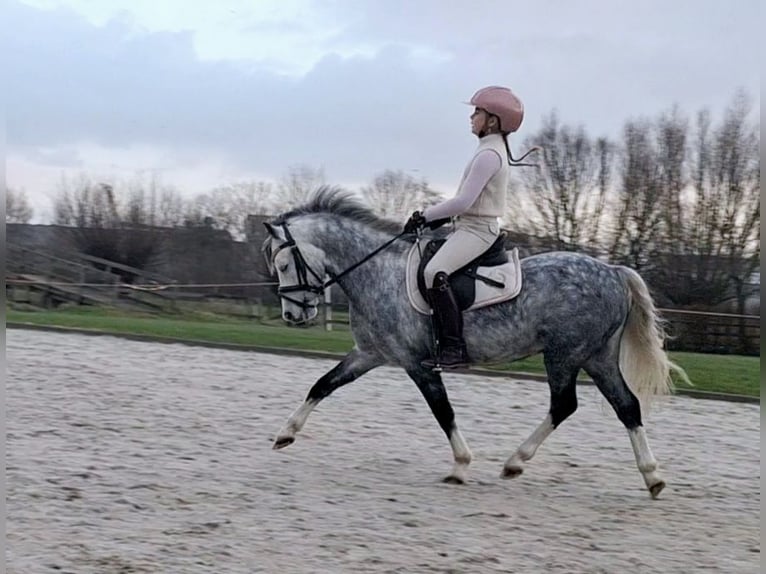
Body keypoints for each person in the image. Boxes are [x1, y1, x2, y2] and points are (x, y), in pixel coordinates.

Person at [403, 85, 526, 369]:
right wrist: (438, 218)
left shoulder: (489, 155)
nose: (472, 117)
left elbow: (464, 201)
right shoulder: (487, 150)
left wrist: (426, 215)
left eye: (477, 112)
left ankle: (454, 349)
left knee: (434, 271)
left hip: (478, 231)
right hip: (467, 226)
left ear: (492, 120)